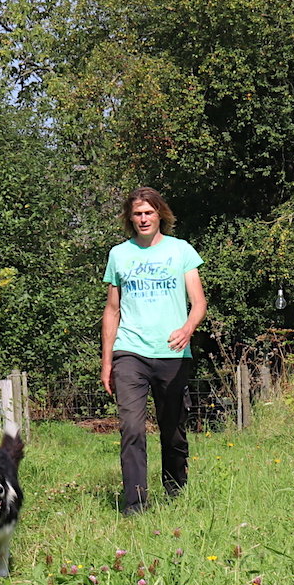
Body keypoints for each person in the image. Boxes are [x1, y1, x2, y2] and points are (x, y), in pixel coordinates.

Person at [101, 187, 206, 514]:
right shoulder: (119, 254)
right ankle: (135, 505)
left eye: (148, 212)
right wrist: (107, 363)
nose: (143, 219)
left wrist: (187, 329)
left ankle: (175, 492)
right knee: (132, 427)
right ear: (130, 218)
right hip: (129, 351)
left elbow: (199, 302)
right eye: (137, 214)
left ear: (160, 214)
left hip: (172, 353)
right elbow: (112, 310)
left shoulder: (180, 250)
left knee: (172, 429)